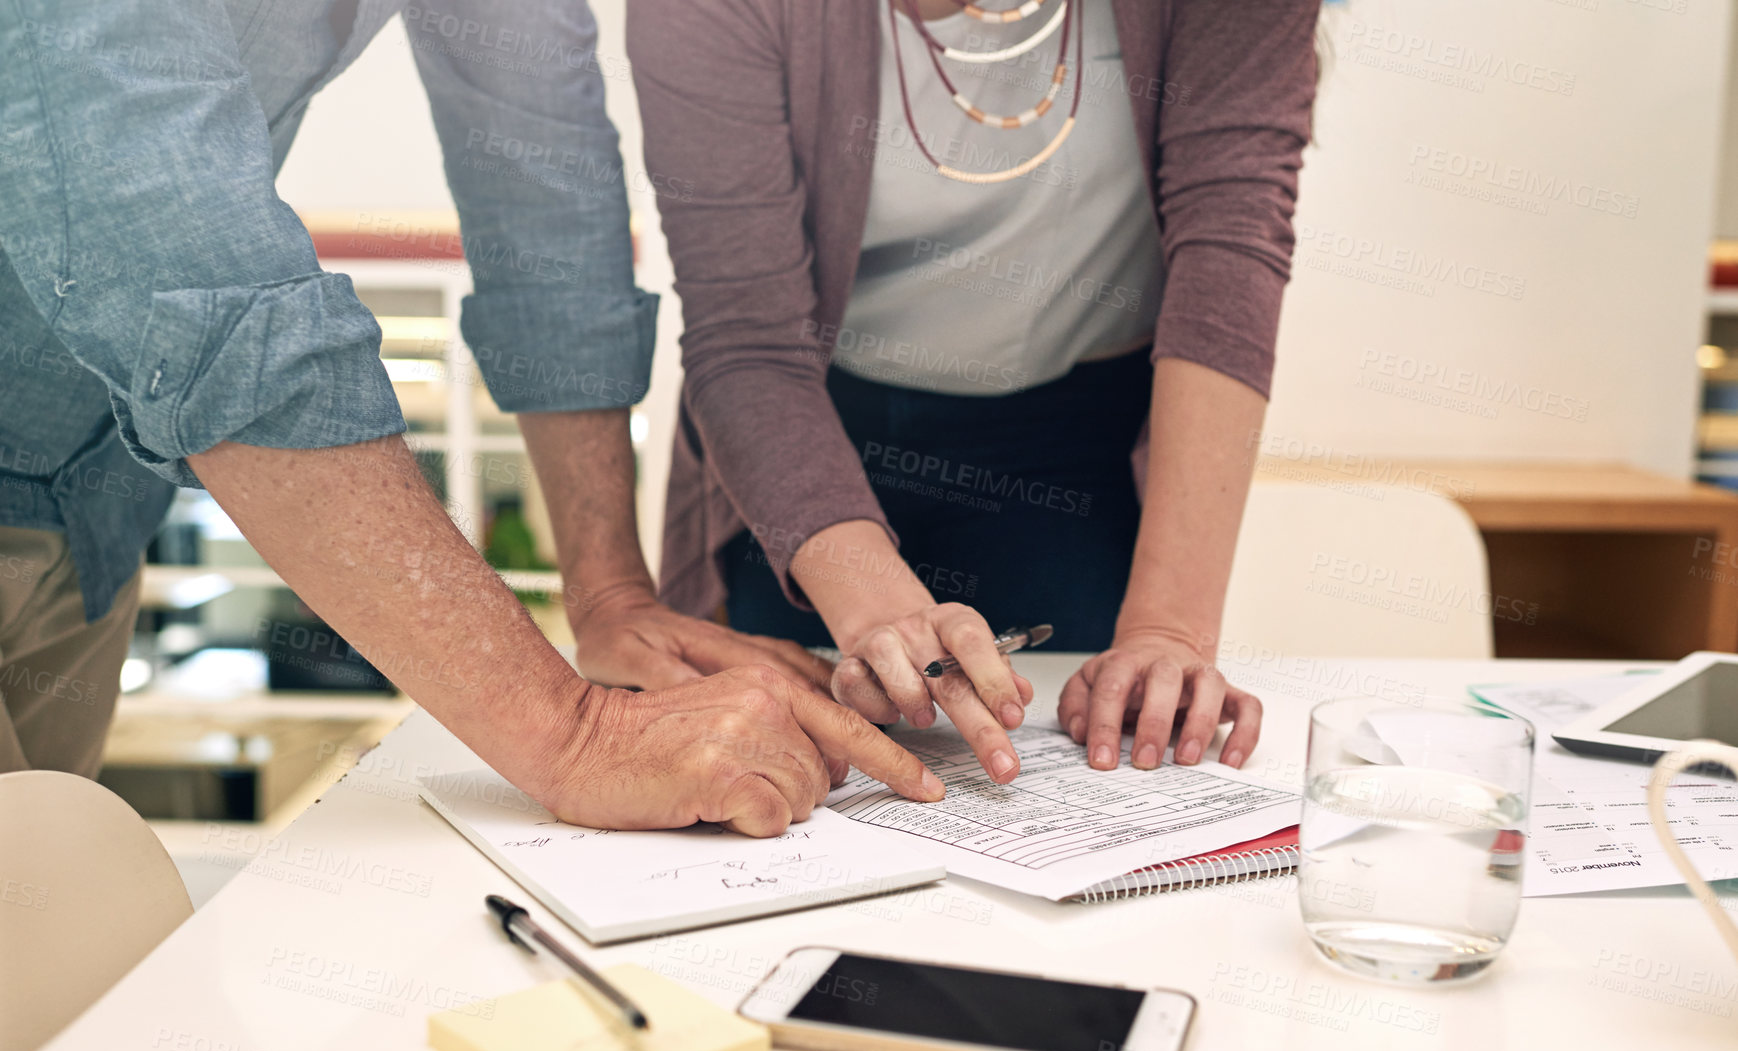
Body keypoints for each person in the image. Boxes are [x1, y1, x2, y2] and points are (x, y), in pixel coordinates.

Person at [0, 0, 943, 836]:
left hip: (92, 514)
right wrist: (572, 734)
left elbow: (545, 196)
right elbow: (189, 263)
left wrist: (610, 594)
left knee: (37, 961)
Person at [628, 0, 1317, 783]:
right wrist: (873, 601)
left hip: (1076, 451)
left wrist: (1170, 629)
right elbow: (748, 335)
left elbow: (1231, 248)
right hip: (804, 452)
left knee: (1090, 770)